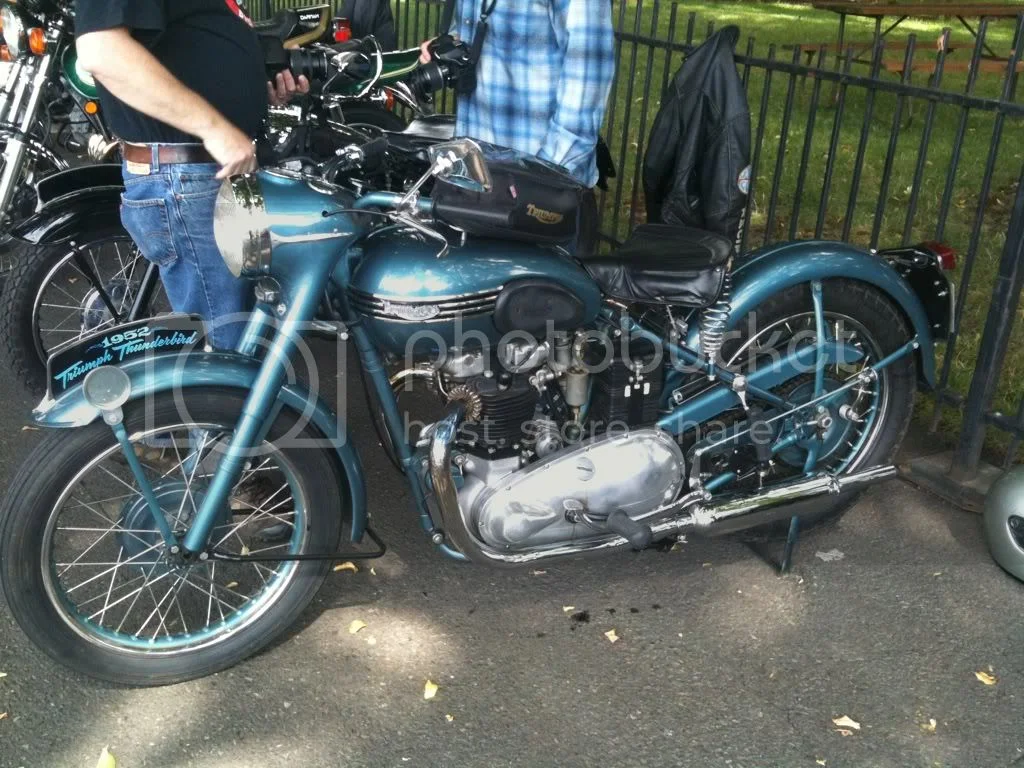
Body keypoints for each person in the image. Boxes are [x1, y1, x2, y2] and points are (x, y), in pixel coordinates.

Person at [75, 0, 309, 351]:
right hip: (188, 172)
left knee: (245, 333)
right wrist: (215, 129)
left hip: (213, 171)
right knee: (225, 346)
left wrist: (254, 91)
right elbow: (101, 50)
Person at [419, 0, 616, 191]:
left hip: (538, 187)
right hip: (472, 171)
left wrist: (543, 176)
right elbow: (480, 30)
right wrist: (447, 46)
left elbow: (587, 80)